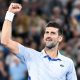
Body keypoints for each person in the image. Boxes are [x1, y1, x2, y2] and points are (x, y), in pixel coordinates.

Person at [1, 3, 77, 80]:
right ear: (44, 36)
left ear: (60, 38)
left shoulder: (68, 63)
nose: (49, 35)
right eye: (47, 32)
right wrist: (10, 13)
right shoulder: (31, 55)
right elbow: (5, 41)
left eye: (53, 33)